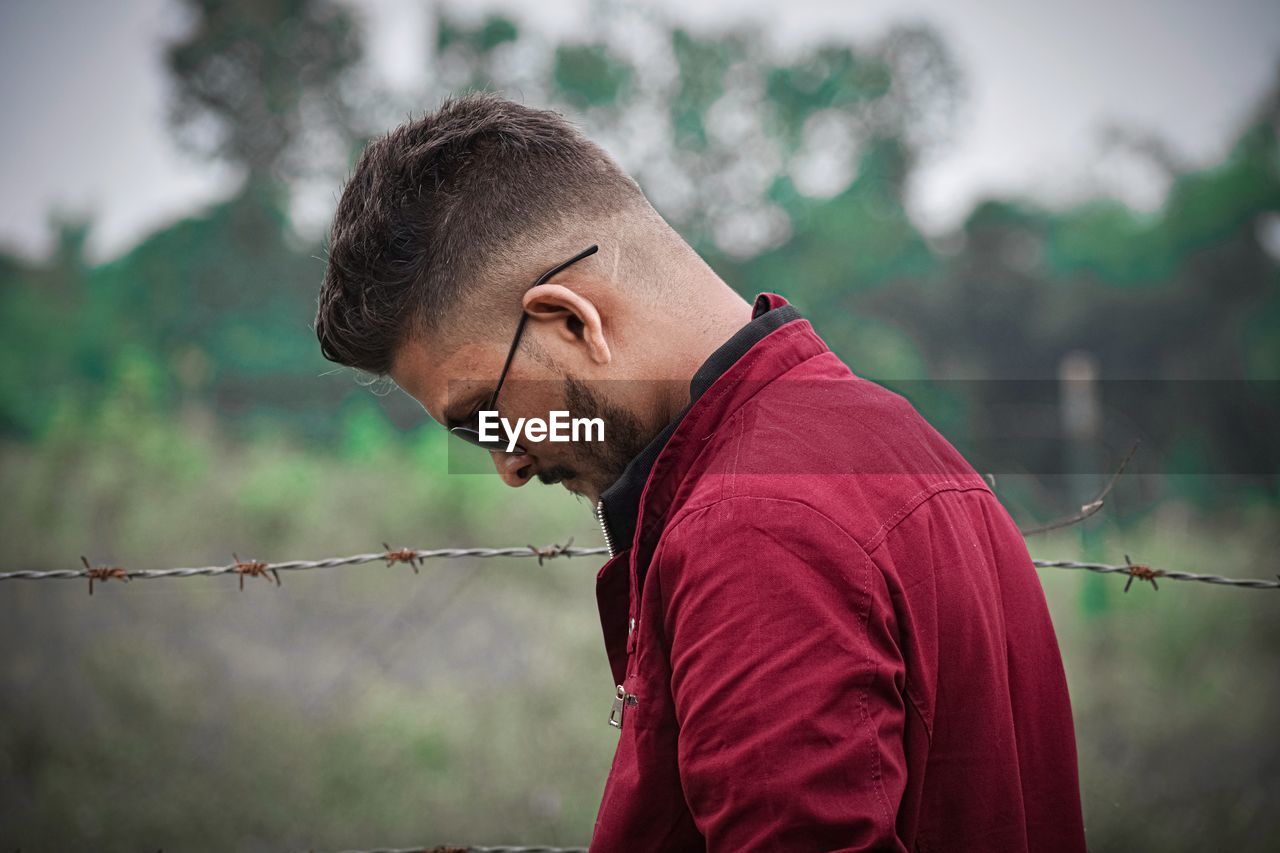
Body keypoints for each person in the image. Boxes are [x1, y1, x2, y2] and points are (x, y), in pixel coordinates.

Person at [314, 92, 1087, 852]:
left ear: (573, 322)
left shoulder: (752, 526)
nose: (507, 463)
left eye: (483, 412)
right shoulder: (900, 438)